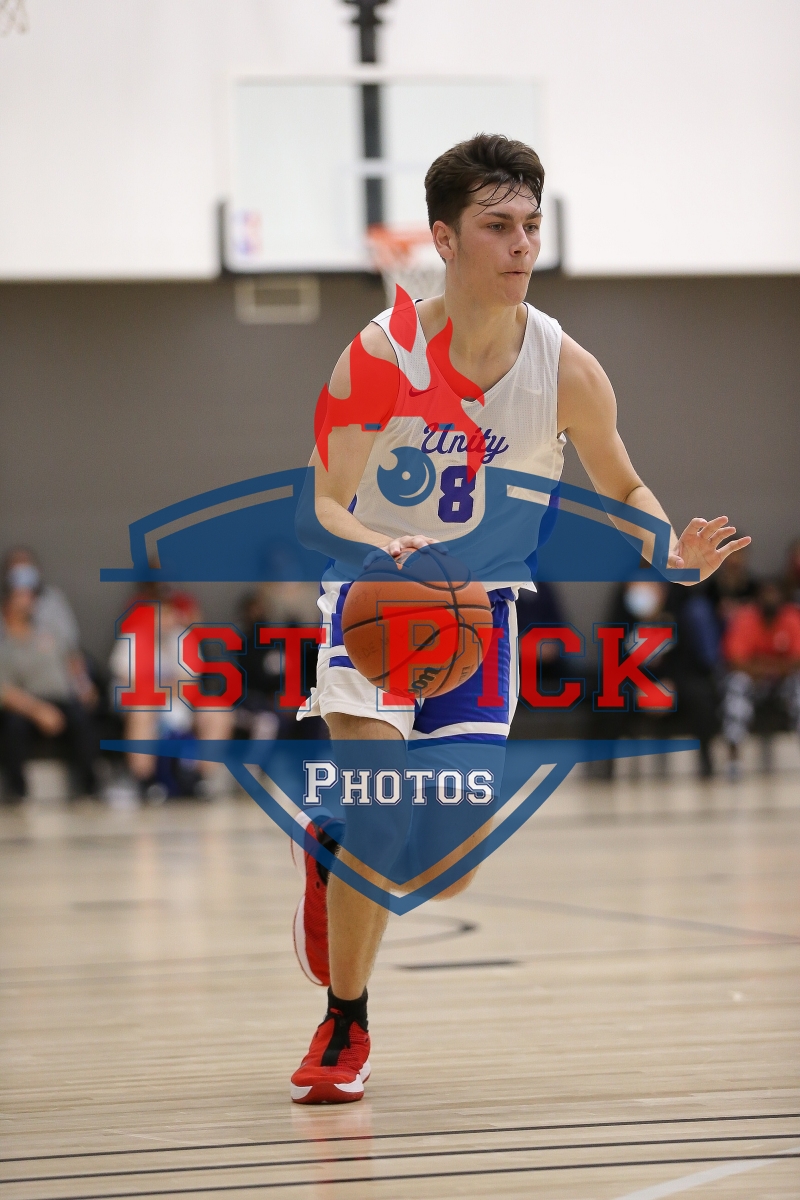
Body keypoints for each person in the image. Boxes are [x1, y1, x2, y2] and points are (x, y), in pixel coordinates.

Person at [289, 134, 750, 1104]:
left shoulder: (567, 369)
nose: (521, 245)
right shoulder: (378, 356)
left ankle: (327, 851)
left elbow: (622, 484)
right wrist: (379, 546)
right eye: (497, 226)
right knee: (380, 809)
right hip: (376, 601)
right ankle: (345, 1023)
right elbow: (323, 505)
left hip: (479, 621)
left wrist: (666, 550)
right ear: (443, 239)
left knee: (448, 867)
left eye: (531, 226)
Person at [0, 582, 97, 801]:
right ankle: (18, 793)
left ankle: (90, 790)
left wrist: (84, 686)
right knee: (13, 727)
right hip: (26, 704)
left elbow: (73, 660)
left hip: (61, 699)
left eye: (30, 597)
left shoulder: (49, 633)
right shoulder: (5, 645)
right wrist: (38, 711)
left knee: (82, 720)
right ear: (8, 605)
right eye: (21, 597)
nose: (28, 603)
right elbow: (5, 690)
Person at [721, 577, 800, 773]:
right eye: (766, 594)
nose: (770, 598)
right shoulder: (745, 617)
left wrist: (763, 665)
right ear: (758, 598)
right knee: (736, 684)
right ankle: (733, 757)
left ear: (782, 597)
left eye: (774, 593)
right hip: (754, 682)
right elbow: (736, 661)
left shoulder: (791, 617)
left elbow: (797, 661)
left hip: (783, 683)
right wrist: (772, 667)